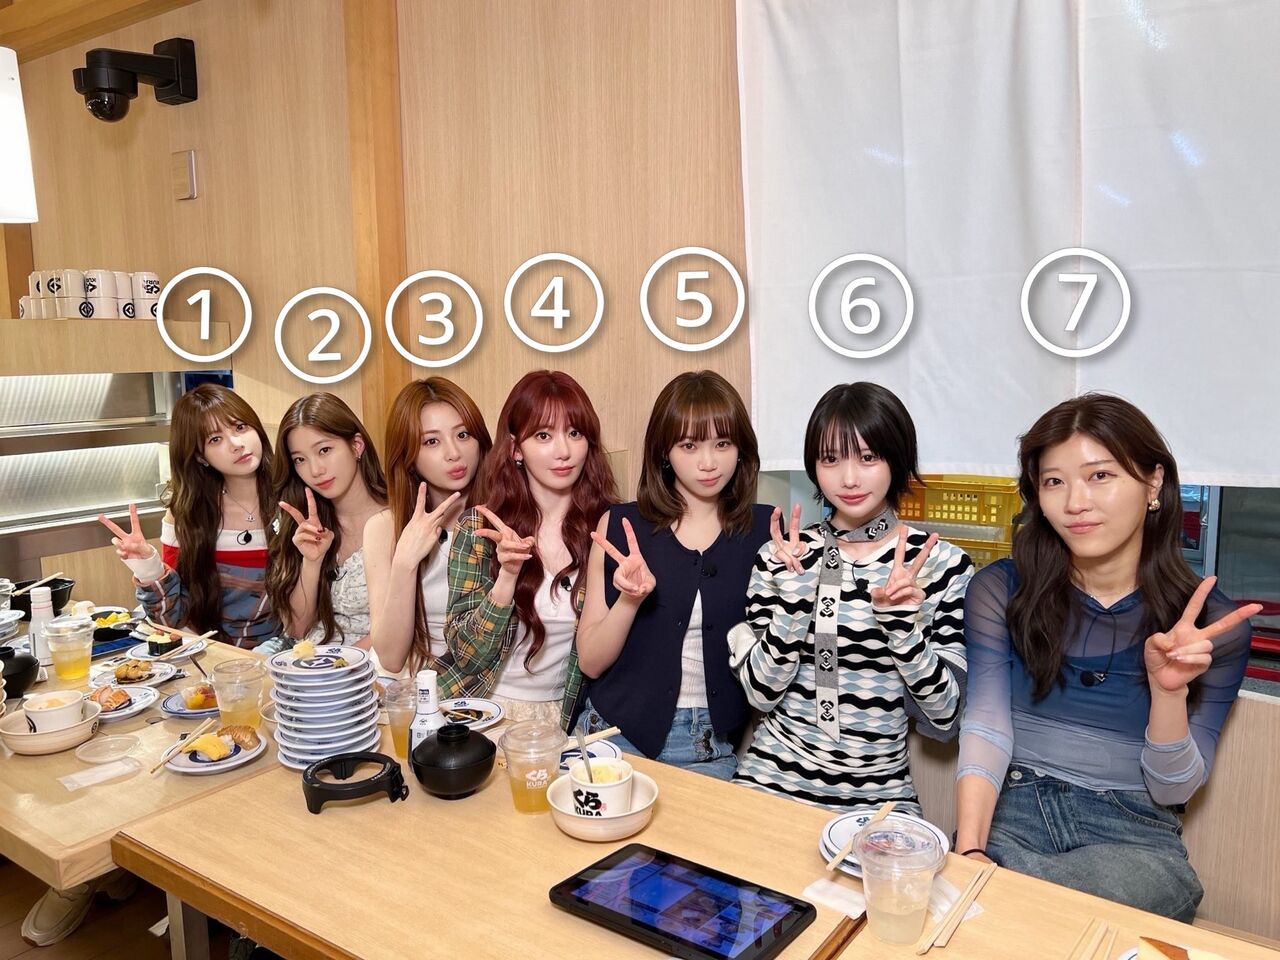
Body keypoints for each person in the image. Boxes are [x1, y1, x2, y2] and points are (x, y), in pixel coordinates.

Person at [954, 393, 1260, 921]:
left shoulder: (1211, 625)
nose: (1076, 502)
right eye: (1054, 481)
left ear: (1153, 483)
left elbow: (1173, 788)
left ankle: (1010, 898)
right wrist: (970, 853)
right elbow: (986, 726)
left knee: (1161, 885)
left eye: (1100, 476)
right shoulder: (1000, 591)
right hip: (1014, 810)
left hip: (1133, 832)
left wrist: (1168, 693)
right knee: (995, 892)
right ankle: (1012, 897)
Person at [730, 382, 973, 811]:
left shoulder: (942, 564)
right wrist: (793, 608)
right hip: (770, 780)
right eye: (830, 459)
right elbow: (760, 695)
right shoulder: (783, 555)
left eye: (868, 457)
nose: (848, 478)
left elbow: (945, 716)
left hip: (880, 796)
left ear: (896, 458)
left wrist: (903, 633)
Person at [575, 371, 773, 779]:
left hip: (709, 749)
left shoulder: (766, 532)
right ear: (665, 452)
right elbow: (591, 663)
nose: (708, 462)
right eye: (689, 445)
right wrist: (629, 600)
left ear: (741, 448)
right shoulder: (621, 526)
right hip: (612, 737)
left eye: (723, 443)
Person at [442, 370, 617, 729]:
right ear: (515, 448)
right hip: (481, 709)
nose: (563, 451)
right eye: (543, 435)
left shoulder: (609, 529)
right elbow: (467, 657)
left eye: (574, 433)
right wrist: (506, 578)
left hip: (566, 719)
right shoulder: (479, 527)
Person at [96, 383, 279, 648]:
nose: (236, 444)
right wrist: (148, 567)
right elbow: (172, 621)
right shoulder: (186, 513)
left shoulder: (294, 498)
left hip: (288, 655)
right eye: (215, 439)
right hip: (213, 655)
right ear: (200, 457)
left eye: (240, 427)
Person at [366, 377, 491, 677]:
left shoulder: (503, 519)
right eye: (431, 441)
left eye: (463, 434)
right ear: (408, 457)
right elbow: (391, 658)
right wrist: (405, 562)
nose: (454, 453)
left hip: (480, 686)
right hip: (408, 685)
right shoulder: (384, 528)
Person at [265, 393, 387, 650]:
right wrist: (312, 561)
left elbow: (403, 626)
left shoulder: (400, 519)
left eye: (324, 450)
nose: (315, 470)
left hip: (373, 663)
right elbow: (296, 629)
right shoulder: (303, 522)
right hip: (308, 661)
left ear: (356, 445)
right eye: (300, 459)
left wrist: (338, 664)